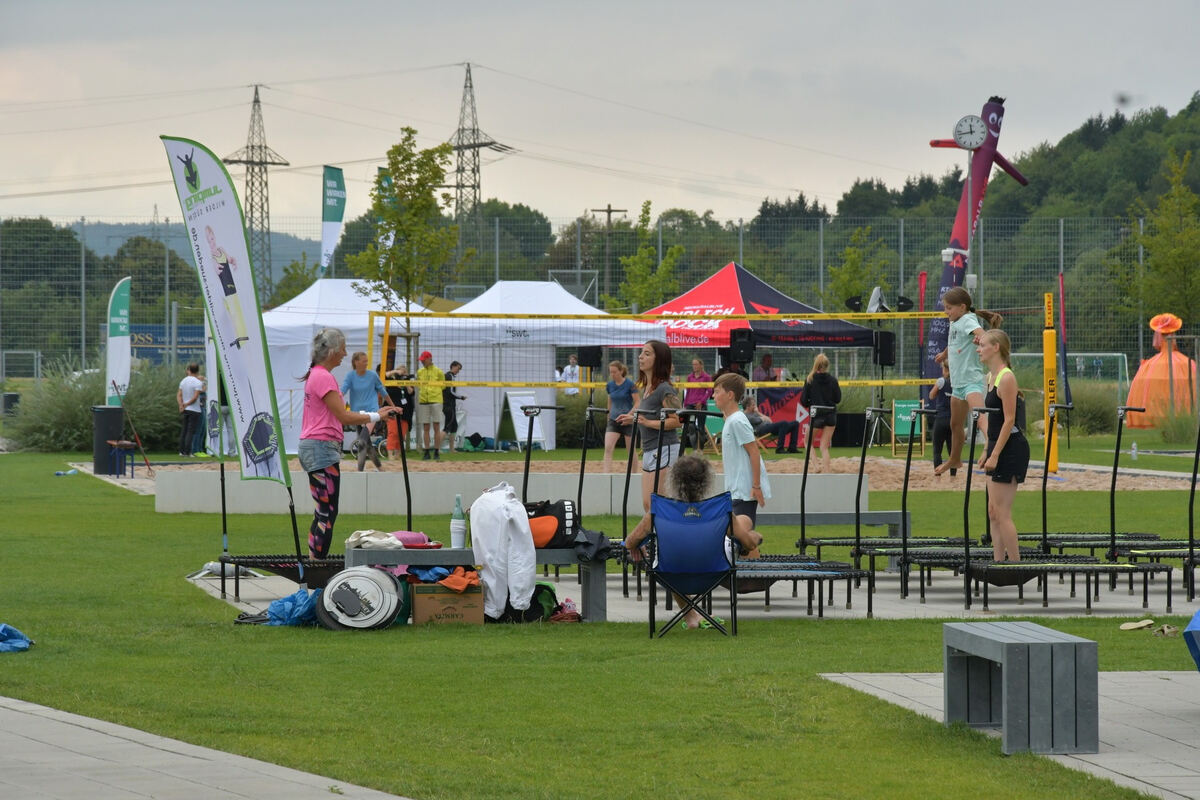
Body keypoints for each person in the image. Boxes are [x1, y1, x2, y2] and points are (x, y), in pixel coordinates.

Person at [622, 454, 763, 628]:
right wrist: (755, 539)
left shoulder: (659, 510)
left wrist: (636, 546)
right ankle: (691, 618)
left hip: (670, 573)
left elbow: (630, 541)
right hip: (715, 571)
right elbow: (748, 546)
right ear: (706, 481)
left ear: (673, 480)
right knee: (747, 531)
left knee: (673, 557)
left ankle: (690, 617)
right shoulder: (719, 510)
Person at [298, 328, 397, 559]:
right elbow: (343, 417)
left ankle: (314, 562)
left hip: (318, 447)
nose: (345, 353)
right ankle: (316, 567)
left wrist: (375, 413)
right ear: (331, 350)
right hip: (320, 448)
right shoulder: (323, 376)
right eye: (342, 348)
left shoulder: (318, 374)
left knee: (324, 512)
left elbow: (340, 414)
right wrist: (375, 416)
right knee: (327, 513)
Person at [933, 287, 1003, 475]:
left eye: (949, 308)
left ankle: (990, 445)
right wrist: (944, 354)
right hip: (958, 385)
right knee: (955, 424)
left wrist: (981, 339)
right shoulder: (956, 322)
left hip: (971, 381)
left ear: (962, 307)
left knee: (980, 418)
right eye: (945, 308)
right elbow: (954, 343)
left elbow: (982, 334)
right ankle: (955, 460)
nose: (946, 312)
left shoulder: (967, 320)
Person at [976, 329, 1029, 562]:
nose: (979, 349)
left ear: (996, 347)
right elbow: (994, 423)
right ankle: (998, 561)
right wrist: (987, 448)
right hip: (997, 444)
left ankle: (1016, 564)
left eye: (983, 345)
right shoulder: (990, 378)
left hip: (1011, 448)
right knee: (992, 511)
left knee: (1003, 512)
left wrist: (995, 454)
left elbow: (1009, 419)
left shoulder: (1006, 377)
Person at [615, 340, 682, 513]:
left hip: (665, 448)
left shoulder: (664, 389)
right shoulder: (647, 388)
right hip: (649, 449)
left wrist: (646, 422)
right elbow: (647, 415)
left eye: (647, 353)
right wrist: (633, 418)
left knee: (658, 504)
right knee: (648, 504)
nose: (640, 356)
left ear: (658, 359)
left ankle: (665, 539)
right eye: (641, 353)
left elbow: (677, 421)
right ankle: (656, 538)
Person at [712, 372, 771, 528]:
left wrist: (756, 486)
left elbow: (754, 452)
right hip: (737, 491)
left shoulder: (737, 421)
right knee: (743, 541)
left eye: (717, 392)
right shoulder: (732, 419)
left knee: (743, 540)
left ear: (730, 395)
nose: (713, 396)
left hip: (744, 492)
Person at [340, 352, 392, 472]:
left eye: (367, 361)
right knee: (367, 444)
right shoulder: (350, 376)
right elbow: (342, 391)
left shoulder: (372, 375)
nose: (366, 363)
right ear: (356, 362)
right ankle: (380, 467)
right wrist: (333, 402)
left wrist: (393, 406)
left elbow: (383, 391)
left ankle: (360, 471)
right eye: (364, 361)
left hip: (372, 413)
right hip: (358, 414)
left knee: (362, 441)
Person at [801, 353, 842, 473]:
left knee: (807, 442)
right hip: (831, 414)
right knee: (824, 447)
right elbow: (838, 399)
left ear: (816, 365)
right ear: (827, 366)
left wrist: (811, 402)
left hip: (817, 415)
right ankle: (827, 471)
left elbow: (804, 400)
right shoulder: (833, 380)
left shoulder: (810, 379)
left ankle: (816, 467)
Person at [603, 360, 638, 473]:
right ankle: (606, 475)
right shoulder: (610, 385)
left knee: (631, 450)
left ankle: (634, 474)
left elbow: (638, 402)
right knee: (608, 447)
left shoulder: (630, 385)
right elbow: (610, 401)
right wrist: (608, 416)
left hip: (627, 421)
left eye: (614, 372)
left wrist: (629, 415)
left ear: (621, 371)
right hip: (614, 420)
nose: (612, 374)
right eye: (611, 372)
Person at [415, 350, 444, 461]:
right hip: (423, 401)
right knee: (425, 428)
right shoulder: (420, 372)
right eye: (421, 360)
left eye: (423, 360)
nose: (422, 362)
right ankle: (426, 452)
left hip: (436, 400)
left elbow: (443, 386)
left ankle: (436, 451)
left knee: (436, 427)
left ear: (429, 359)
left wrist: (433, 392)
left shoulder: (438, 372)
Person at [928, 361, 956, 476]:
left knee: (937, 450)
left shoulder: (941, 381)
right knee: (952, 451)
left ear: (945, 369)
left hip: (941, 418)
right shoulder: (956, 383)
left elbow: (931, 395)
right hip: (952, 420)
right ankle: (953, 476)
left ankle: (937, 475)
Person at [682, 357, 713, 448]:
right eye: (693, 364)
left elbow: (709, 391)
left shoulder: (707, 377)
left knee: (701, 428)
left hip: (701, 405)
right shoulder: (690, 377)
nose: (694, 366)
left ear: (701, 365)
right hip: (690, 405)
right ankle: (695, 449)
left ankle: (701, 450)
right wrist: (685, 404)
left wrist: (701, 401)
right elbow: (688, 391)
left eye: (696, 364)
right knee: (691, 426)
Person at [384, 364, 415, 449]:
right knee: (393, 432)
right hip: (393, 410)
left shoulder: (407, 381)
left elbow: (411, 393)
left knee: (402, 434)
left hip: (405, 412)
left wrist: (405, 382)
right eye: (401, 372)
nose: (402, 374)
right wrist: (396, 372)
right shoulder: (391, 380)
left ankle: (398, 454)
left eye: (404, 372)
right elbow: (384, 376)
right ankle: (390, 453)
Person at [176, 363, 204, 457]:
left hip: (185, 409)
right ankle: (187, 451)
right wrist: (187, 404)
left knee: (184, 430)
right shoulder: (198, 382)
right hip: (194, 409)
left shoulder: (183, 381)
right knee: (190, 431)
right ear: (197, 371)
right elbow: (196, 397)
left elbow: (179, 394)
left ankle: (181, 451)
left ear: (189, 370)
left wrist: (181, 405)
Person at [442, 360, 465, 451]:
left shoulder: (450, 376)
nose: (458, 371)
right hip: (448, 405)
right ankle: (437, 448)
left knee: (454, 426)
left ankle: (452, 449)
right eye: (458, 368)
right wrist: (461, 397)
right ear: (453, 366)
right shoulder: (449, 376)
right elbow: (450, 392)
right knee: (447, 427)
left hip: (450, 404)